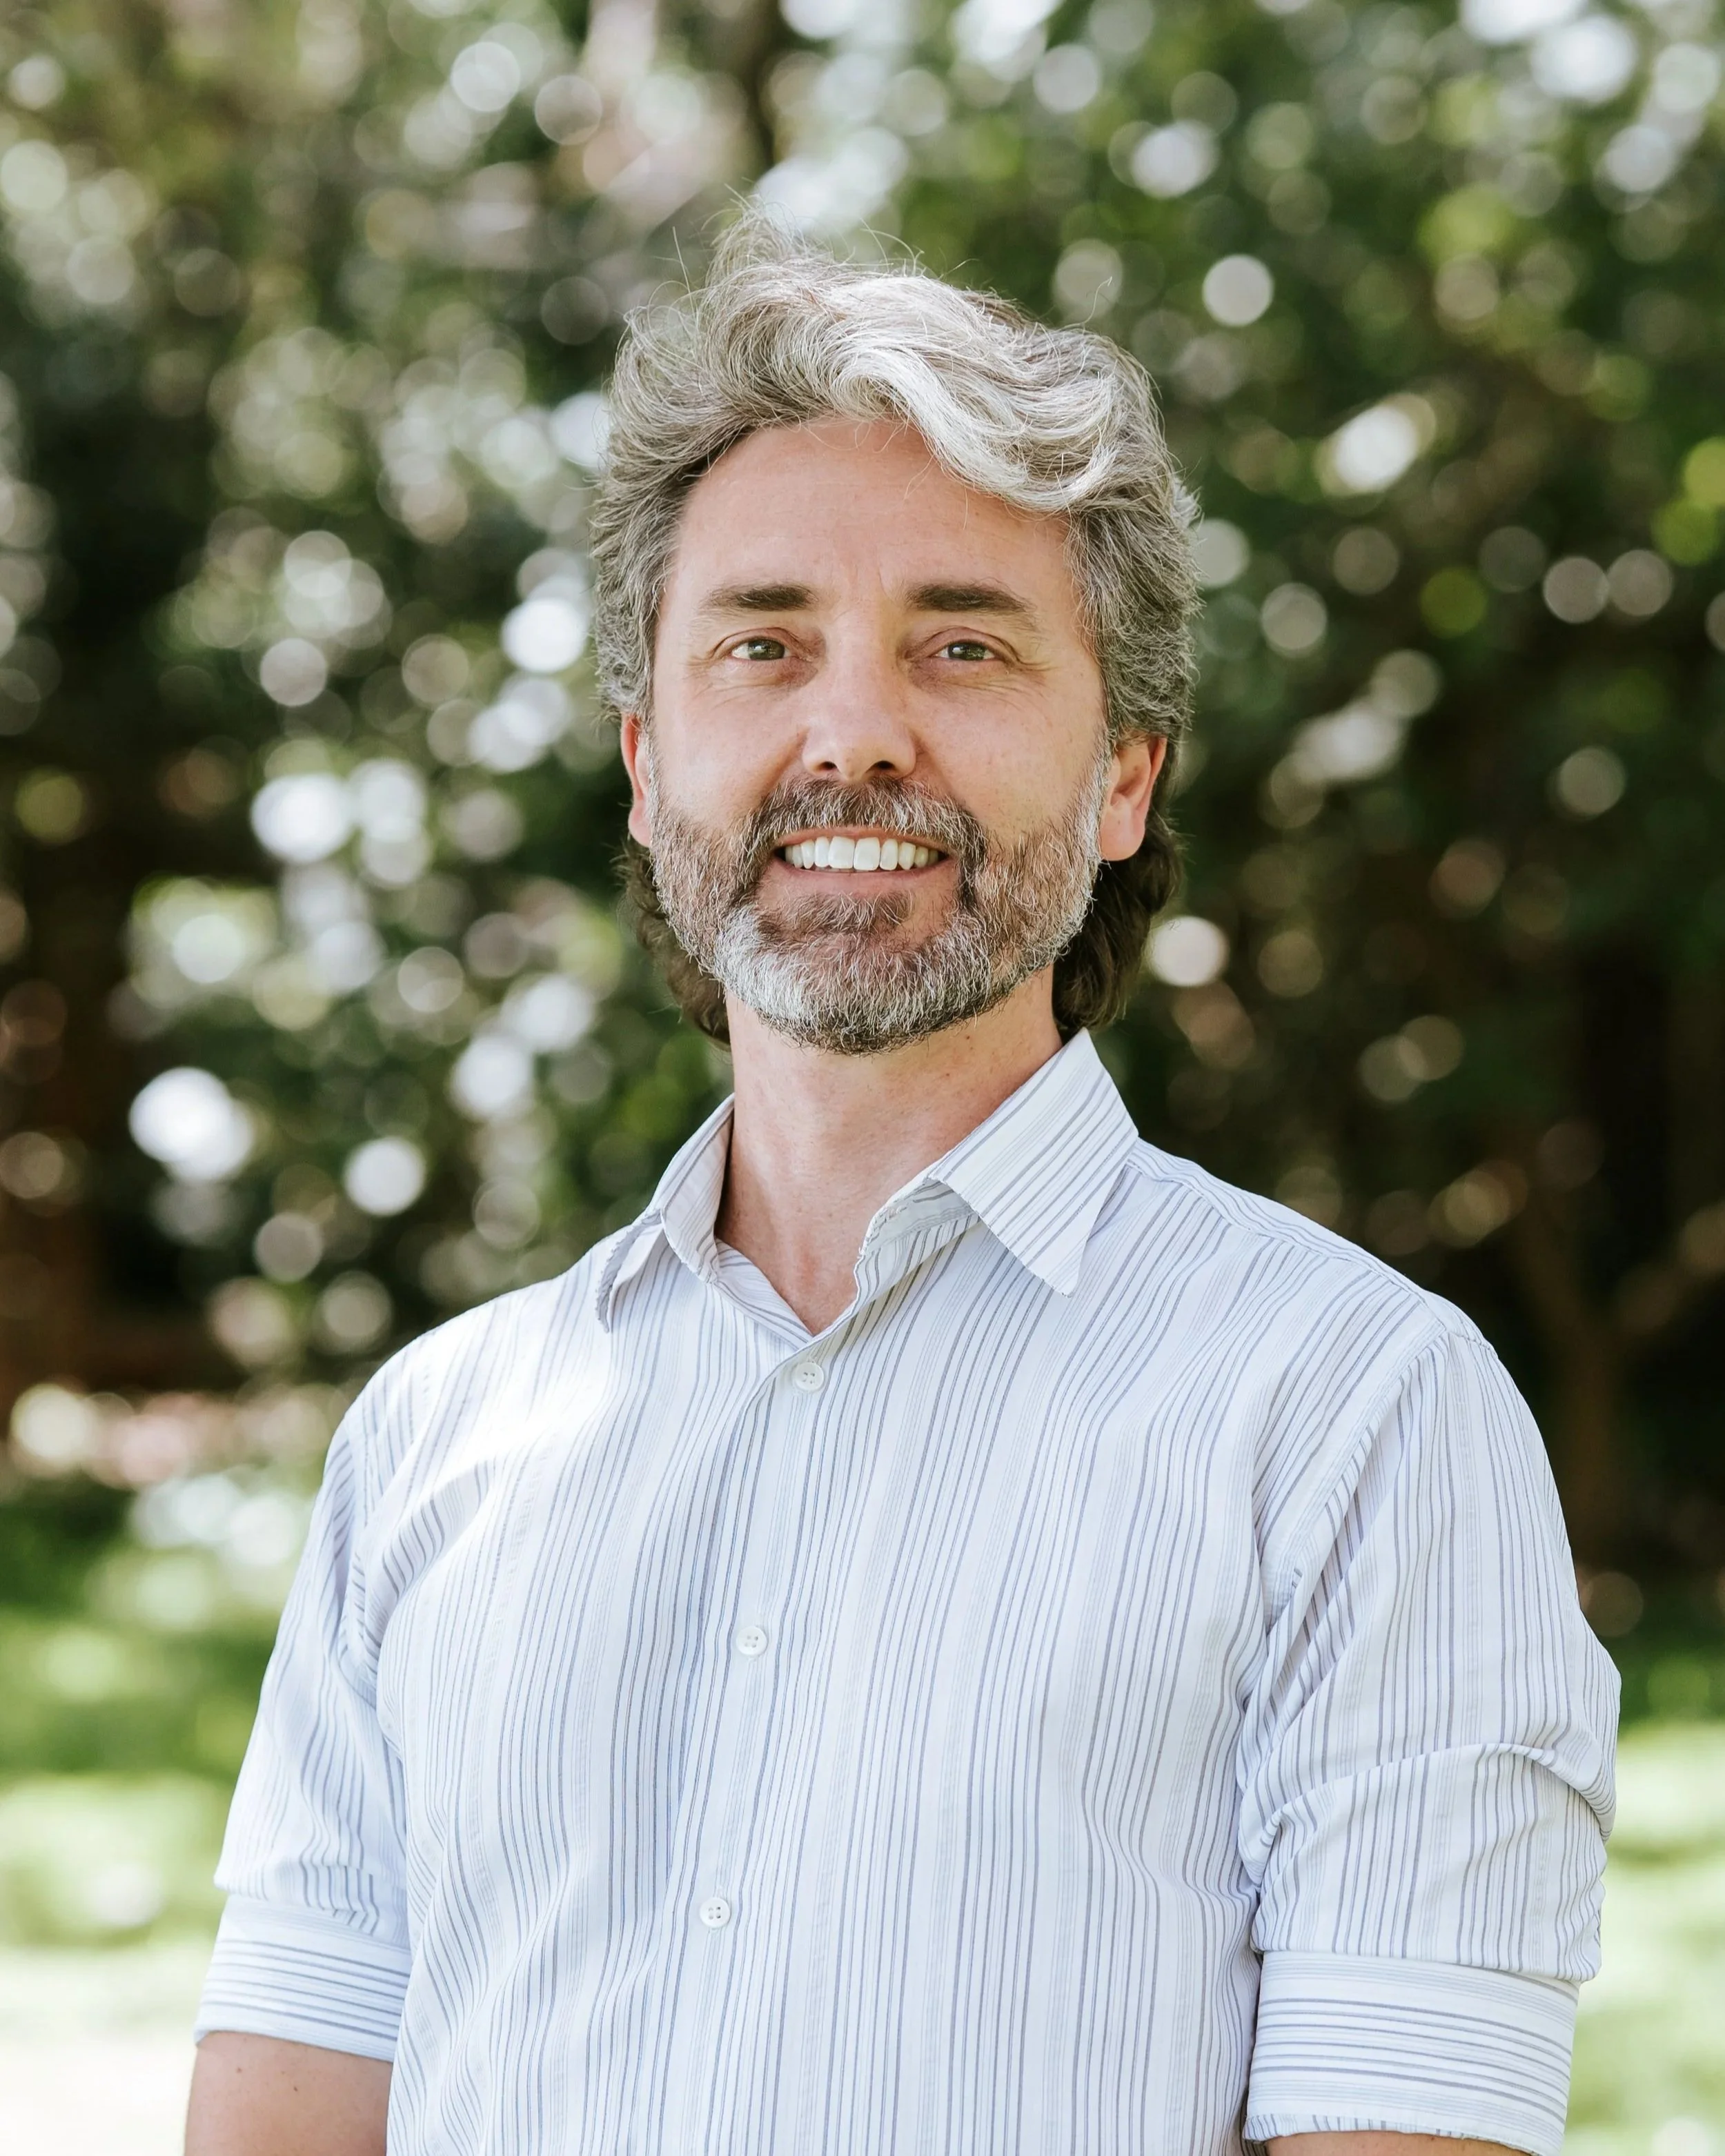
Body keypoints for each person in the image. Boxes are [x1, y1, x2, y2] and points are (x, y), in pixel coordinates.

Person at [186, 221, 1617, 2156]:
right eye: (761, 645)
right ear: (647, 763)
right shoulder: (434, 1442)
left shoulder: (1358, 1418)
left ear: (1123, 775)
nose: (852, 732)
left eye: (962, 644)